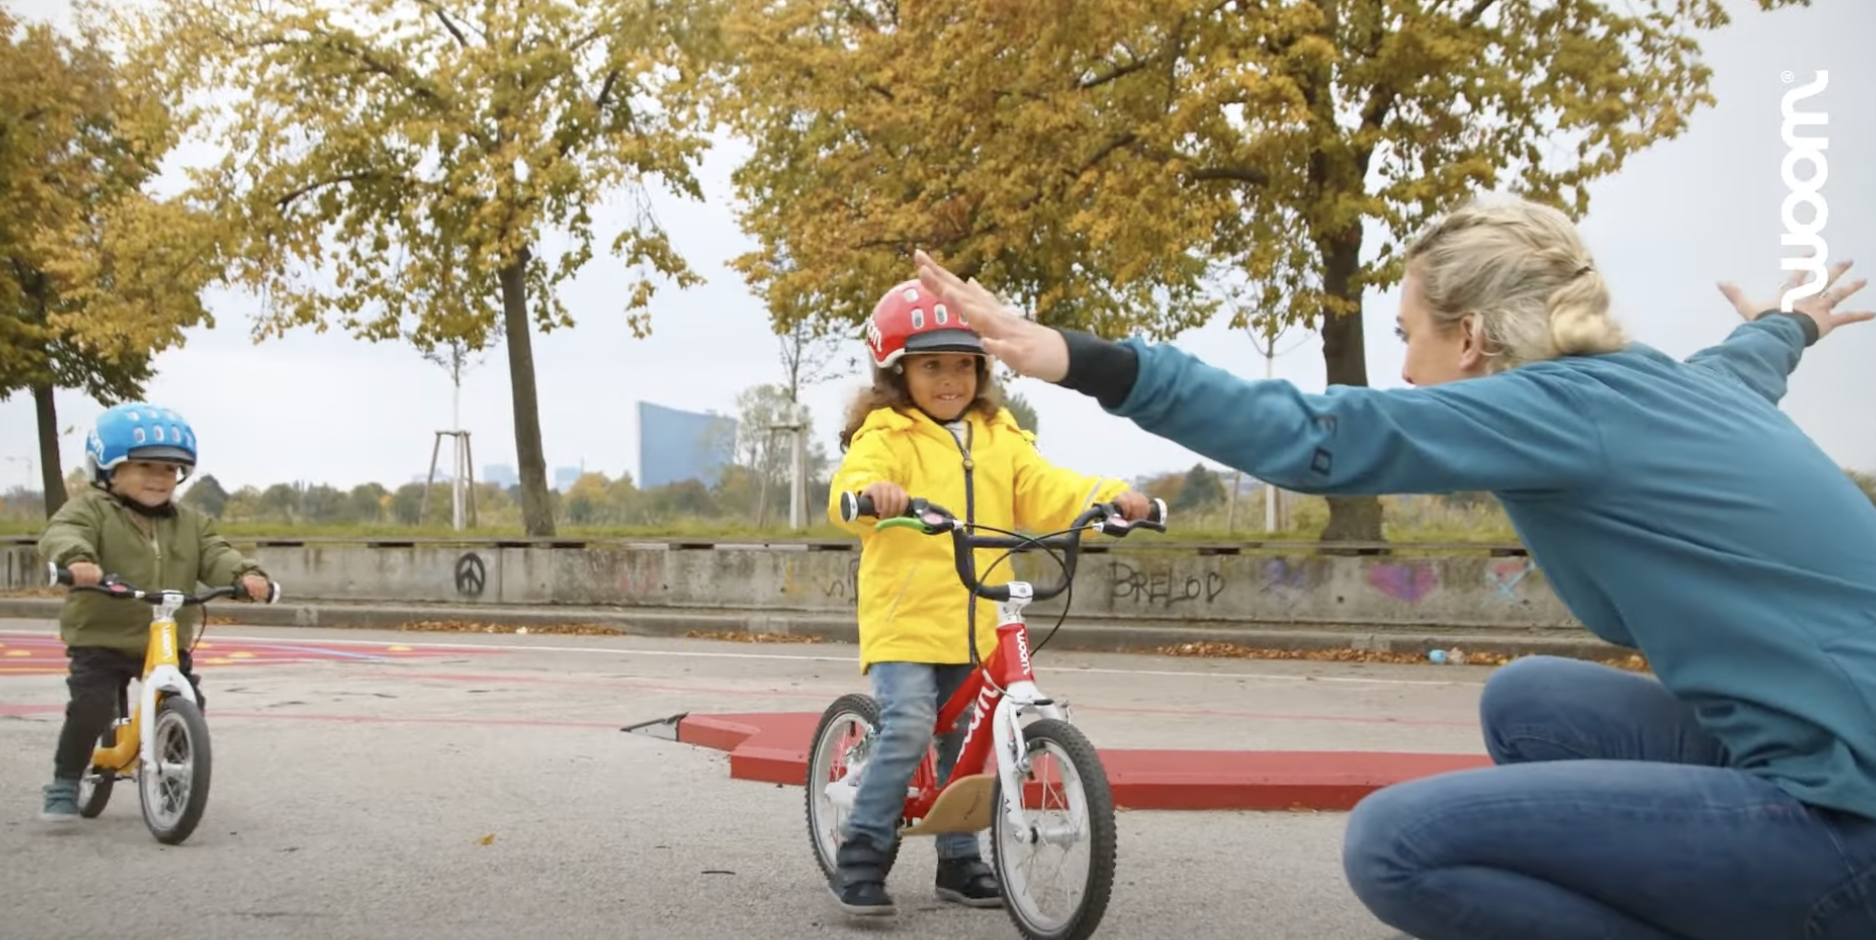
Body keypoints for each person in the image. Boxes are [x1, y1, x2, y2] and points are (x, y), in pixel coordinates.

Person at [909, 196, 1876, 940]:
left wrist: (1083, 360)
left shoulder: (1548, 408)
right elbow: (1742, 364)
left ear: (1475, 338)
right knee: (1526, 702)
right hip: (1831, 760)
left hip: (1843, 818)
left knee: (1397, 845)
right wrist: (1790, 325)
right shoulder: (1665, 389)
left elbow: (1315, 434)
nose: (1406, 370)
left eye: (1412, 335)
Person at [823, 279, 1151, 917]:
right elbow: (851, 489)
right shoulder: (887, 434)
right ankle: (862, 851)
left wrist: (1110, 498)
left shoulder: (1000, 434)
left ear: (982, 369)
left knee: (971, 737)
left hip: (978, 614)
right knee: (913, 726)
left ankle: (959, 857)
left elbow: (1048, 486)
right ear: (897, 370)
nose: (951, 379)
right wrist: (876, 495)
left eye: (964, 364)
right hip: (908, 621)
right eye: (932, 365)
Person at [37, 401, 273, 823]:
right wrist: (78, 561)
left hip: (164, 634)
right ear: (107, 469)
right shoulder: (90, 509)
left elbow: (215, 553)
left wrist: (245, 575)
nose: (159, 478)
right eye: (146, 466)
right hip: (101, 634)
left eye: (170, 469)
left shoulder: (190, 522)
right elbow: (64, 532)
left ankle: (174, 779)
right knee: (91, 707)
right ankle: (65, 780)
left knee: (188, 702)